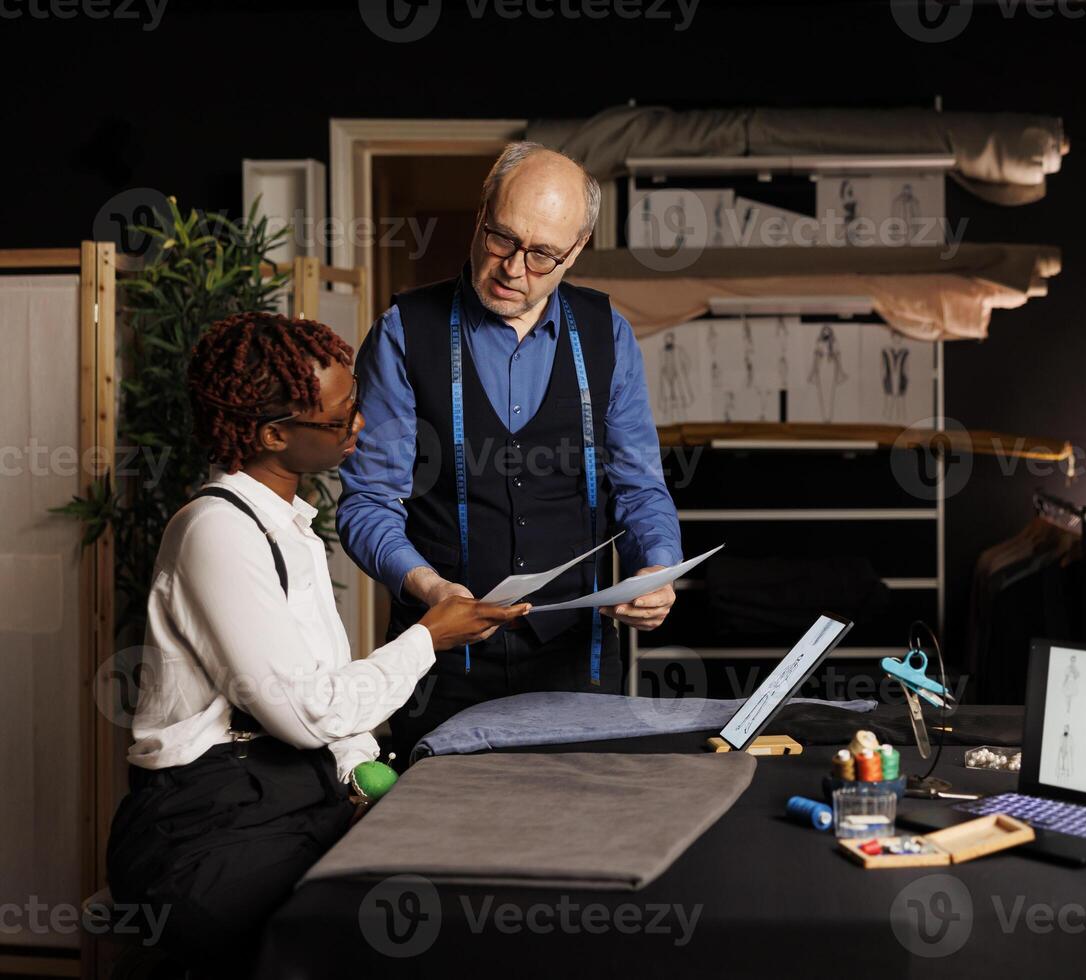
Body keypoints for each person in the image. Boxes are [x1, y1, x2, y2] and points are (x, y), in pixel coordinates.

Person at [106, 312, 528, 972]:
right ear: (274, 434)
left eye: (354, 406)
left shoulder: (286, 529)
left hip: (282, 798)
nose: (359, 426)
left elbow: (325, 703)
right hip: (205, 833)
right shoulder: (216, 533)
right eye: (338, 420)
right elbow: (306, 714)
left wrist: (369, 784)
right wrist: (427, 637)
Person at [339, 142, 683, 758]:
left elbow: (639, 489)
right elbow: (367, 502)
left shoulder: (609, 336)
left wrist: (657, 567)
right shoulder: (402, 332)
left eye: (544, 253)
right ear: (481, 216)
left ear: (576, 251)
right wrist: (429, 586)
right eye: (502, 237)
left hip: (579, 668)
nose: (514, 267)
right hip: (439, 669)